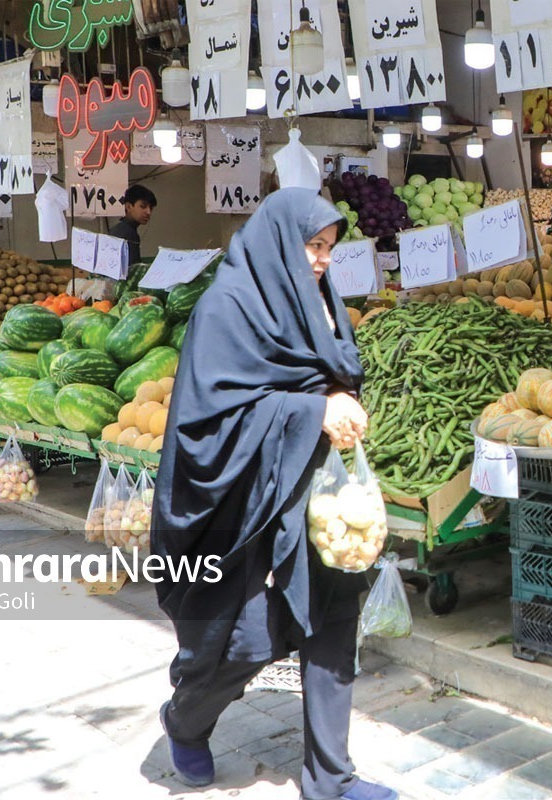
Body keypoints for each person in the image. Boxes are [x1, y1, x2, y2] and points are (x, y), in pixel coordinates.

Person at [151, 188, 396, 800]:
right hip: (241, 496)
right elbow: (209, 422)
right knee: (249, 634)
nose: (321, 259)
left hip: (312, 488)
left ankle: (331, 783)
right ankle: (186, 719)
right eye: (312, 245)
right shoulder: (225, 309)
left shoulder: (315, 299)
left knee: (334, 616)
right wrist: (311, 409)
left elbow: (335, 369)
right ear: (277, 242)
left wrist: (336, 409)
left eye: (329, 248)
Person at [107, 185, 157, 265]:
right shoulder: (128, 233)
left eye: (151, 208)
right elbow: (131, 270)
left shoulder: (118, 229)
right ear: (129, 207)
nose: (148, 212)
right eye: (143, 206)